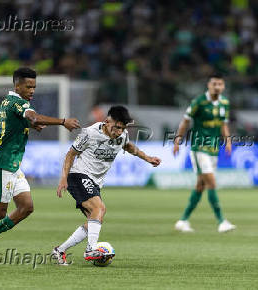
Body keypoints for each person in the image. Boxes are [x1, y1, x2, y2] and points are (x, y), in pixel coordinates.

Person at [0, 67, 80, 261]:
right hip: (2, 163)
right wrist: (63, 121)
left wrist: (29, 125)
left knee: (26, 207)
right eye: (28, 86)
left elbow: (16, 123)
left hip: (12, 164)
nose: (32, 90)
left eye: (34, 87)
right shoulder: (19, 103)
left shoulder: (6, 102)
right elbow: (33, 116)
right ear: (17, 85)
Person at [53, 106, 161, 265]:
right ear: (106, 121)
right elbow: (71, 154)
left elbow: (128, 146)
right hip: (78, 175)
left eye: (122, 128)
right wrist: (63, 178)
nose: (119, 131)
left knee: (94, 220)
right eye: (116, 127)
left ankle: (59, 250)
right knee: (100, 208)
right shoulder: (90, 133)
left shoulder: (121, 135)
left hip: (95, 183)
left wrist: (148, 158)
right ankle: (90, 250)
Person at [173, 74, 236, 233]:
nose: (217, 86)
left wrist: (228, 141)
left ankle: (183, 220)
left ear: (223, 87)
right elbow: (185, 121)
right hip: (199, 148)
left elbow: (223, 125)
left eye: (220, 84)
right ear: (208, 85)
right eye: (214, 83)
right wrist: (177, 140)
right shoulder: (199, 102)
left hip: (214, 149)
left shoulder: (224, 103)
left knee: (200, 186)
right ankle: (222, 221)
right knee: (211, 183)